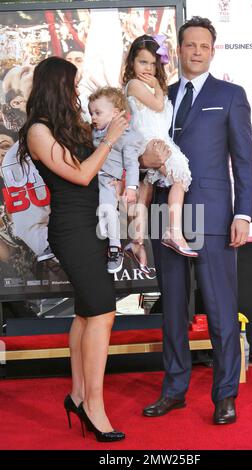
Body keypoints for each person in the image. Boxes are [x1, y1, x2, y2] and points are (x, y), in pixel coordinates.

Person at [140, 17, 252, 424]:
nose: (196, 52)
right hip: (163, 210)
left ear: (212, 50)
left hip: (213, 211)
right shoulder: (160, 95)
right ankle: (174, 388)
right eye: (189, 45)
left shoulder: (230, 95)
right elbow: (141, 149)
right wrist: (142, 160)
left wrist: (243, 212)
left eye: (203, 46)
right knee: (172, 308)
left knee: (222, 308)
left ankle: (225, 394)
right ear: (180, 48)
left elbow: (243, 159)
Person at [18, 56, 128, 442]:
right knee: (103, 312)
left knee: (86, 313)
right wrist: (111, 137)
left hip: (90, 226)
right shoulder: (38, 131)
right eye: (73, 84)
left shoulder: (68, 126)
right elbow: (81, 175)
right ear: (57, 86)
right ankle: (94, 407)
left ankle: (79, 396)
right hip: (70, 231)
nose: (77, 92)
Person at [123, 34, 198, 273]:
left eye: (153, 63)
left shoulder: (156, 87)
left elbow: (162, 113)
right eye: (142, 62)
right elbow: (156, 106)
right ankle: (173, 231)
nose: (148, 68)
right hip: (148, 141)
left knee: (147, 190)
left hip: (159, 139)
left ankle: (136, 242)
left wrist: (157, 88)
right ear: (132, 63)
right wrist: (156, 86)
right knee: (179, 178)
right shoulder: (135, 85)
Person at [88, 87, 141, 273]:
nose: (93, 117)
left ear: (116, 113)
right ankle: (104, 224)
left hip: (109, 181)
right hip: (90, 179)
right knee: (104, 209)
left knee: (109, 208)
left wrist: (131, 186)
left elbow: (132, 164)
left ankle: (114, 247)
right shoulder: (92, 132)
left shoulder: (127, 138)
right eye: (91, 113)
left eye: (98, 113)